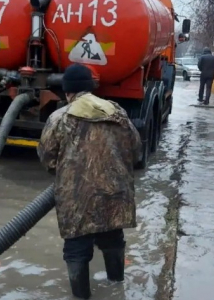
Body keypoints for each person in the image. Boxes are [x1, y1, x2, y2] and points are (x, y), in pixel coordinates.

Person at [37, 63, 142, 299]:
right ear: (91, 88)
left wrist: (70, 176)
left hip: (76, 199)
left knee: (76, 249)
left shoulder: (59, 118)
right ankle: (117, 285)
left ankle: (81, 296)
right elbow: (136, 151)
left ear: (68, 92)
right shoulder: (118, 112)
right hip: (115, 195)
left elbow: (47, 159)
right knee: (113, 238)